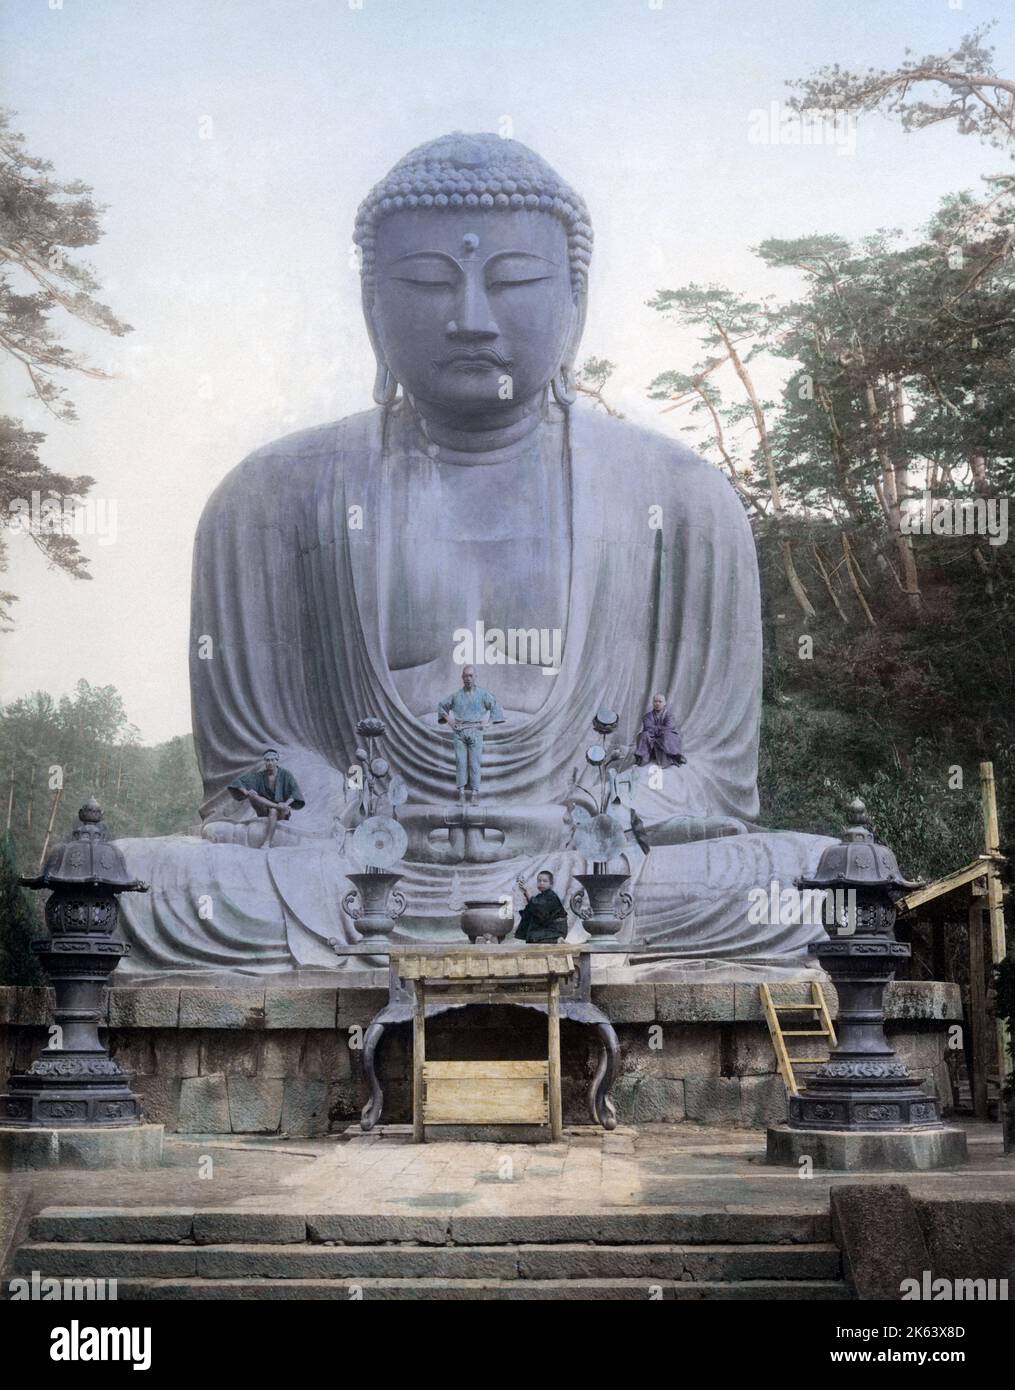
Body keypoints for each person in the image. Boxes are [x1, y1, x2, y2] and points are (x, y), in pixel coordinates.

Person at [437, 665, 504, 803]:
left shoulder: (483, 694)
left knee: (474, 763)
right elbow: (441, 707)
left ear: (475, 677)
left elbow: (495, 706)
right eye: (465, 676)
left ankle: (474, 794)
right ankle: (461, 794)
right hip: (459, 732)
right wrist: (450, 721)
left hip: (476, 732)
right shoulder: (456, 696)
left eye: (470, 676)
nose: (468, 679)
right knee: (461, 762)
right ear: (462, 678)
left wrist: (490, 722)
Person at [227, 750, 305, 848]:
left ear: (277, 760)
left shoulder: (286, 774)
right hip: (264, 809)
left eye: (272, 760)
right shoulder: (259, 776)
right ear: (265, 762)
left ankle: (267, 842)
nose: (270, 763)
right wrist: (246, 792)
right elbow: (237, 782)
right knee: (252, 795)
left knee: (273, 811)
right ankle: (276, 806)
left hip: (282, 811)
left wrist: (286, 804)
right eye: (267, 760)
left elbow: (295, 792)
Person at [514, 870, 568, 943]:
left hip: (556, 929)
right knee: (530, 934)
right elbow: (534, 909)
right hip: (548, 926)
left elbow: (538, 906)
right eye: (539, 881)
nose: (541, 883)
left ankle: (557, 940)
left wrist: (528, 892)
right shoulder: (541, 896)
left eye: (545, 881)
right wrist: (526, 894)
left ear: (551, 884)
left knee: (533, 937)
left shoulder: (552, 896)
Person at [634, 694, 686, 769]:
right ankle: (642, 758)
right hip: (651, 737)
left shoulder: (669, 715)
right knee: (643, 735)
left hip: (664, 736)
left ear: (664, 703)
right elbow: (648, 728)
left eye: (660, 701)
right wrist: (660, 729)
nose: (657, 703)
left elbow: (669, 727)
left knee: (667, 735)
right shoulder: (647, 716)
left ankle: (675, 756)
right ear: (653, 703)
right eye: (655, 701)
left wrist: (656, 729)